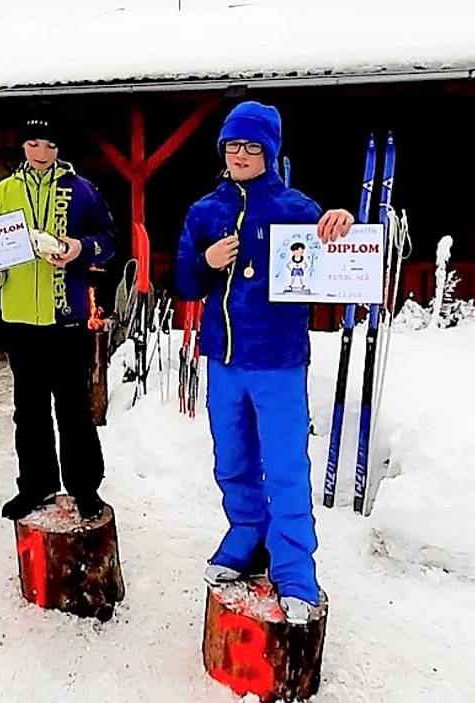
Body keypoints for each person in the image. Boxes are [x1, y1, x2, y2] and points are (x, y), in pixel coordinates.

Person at [175, 101, 353, 624]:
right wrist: (205, 262)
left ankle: (296, 566)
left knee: (285, 466)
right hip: (224, 360)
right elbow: (186, 283)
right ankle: (246, 534)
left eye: (253, 147)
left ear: (271, 152)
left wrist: (339, 221)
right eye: (233, 146)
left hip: (277, 361)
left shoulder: (296, 208)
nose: (242, 155)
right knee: (231, 460)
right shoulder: (205, 210)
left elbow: (332, 243)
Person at [0, 103, 116, 521]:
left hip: (66, 317)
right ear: (22, 145)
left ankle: (85, 488)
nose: (40, 151)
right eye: (33, 142)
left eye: (49, 143)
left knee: (73, 409)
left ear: (59, 146)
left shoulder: (82, 190)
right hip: (19, 319)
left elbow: (108, 238)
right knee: (29, 410)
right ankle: (35, 485)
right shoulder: (2, 194)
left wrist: (79, 248)